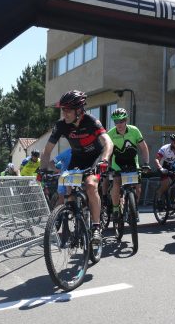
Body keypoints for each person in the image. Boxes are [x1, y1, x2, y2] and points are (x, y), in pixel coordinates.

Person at [40, 90, 113, 245]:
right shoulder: (61, 125)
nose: (64, 113)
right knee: (68, 190)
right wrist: (42, 170)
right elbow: (47, 151)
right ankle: (75, 216)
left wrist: (105, 160)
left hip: (95, 158)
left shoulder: (91, 121)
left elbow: (108, 142)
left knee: (91, 185)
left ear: (79, 110)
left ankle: (96, 227)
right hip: (77, 158)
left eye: (68, 110)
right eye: (63, 110)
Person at [106, 108, 150, 219]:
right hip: (118, 163)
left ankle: (134, 207)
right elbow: (107, 151)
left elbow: (144, 148)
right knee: (116, 183)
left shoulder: (134, 130)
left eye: (121, 121)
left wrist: (146, 163)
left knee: (138, 188)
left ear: (126, 120)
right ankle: (116, 208)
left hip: (132, 163)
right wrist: (108, 166)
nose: (119, 124)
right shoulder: (110, 133)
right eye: (116, 121)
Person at [154, 132, 175, 201]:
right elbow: (157, 159)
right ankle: (159, 195)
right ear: (171, 142)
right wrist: (160, 168)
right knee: (166, 183)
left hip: (173, 165)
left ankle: (174, 198)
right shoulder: (165, 148)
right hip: (163, 166)